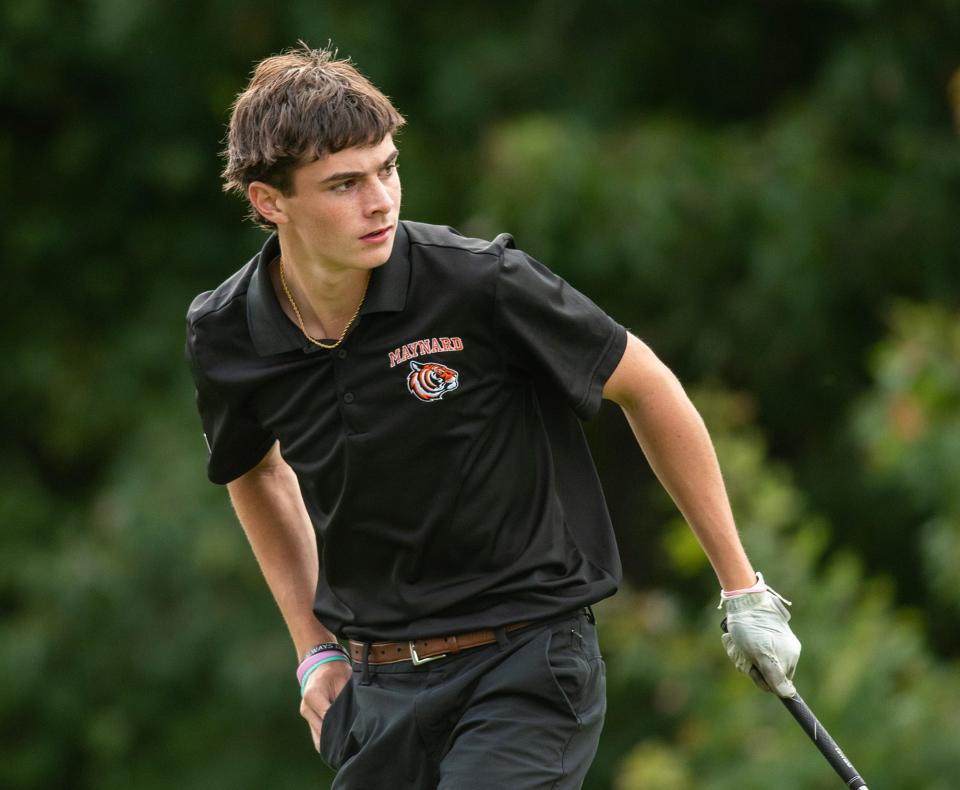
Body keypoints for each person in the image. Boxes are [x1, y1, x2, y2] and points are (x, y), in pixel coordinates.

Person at [185, 44, 801, 789]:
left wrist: (742, 588)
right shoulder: (225, 332)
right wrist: (312, 647)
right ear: (268, 201)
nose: (380, 201)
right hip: (377, 690)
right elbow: (251, 469)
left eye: (387, 168)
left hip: (527, 668)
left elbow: (649, 385)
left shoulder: (479, 284)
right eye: (344, 184)